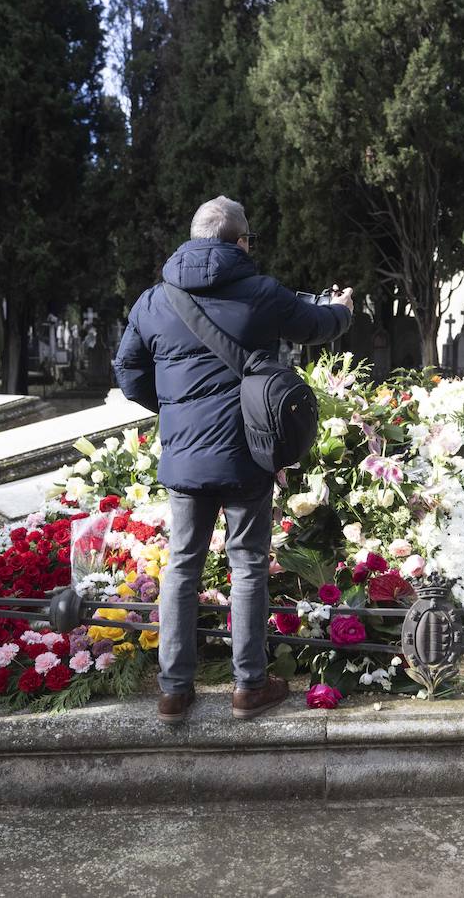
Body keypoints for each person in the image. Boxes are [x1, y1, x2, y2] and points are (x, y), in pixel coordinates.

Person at [114, 196, 353, 724]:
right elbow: (316, 326)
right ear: (240, 242)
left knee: (181, 566)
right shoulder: (262, 292)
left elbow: (127, 371)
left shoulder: (154, 299)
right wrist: (345, 309)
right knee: (247, 566)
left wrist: (175, 409)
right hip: (248, 453)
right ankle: (249, 686)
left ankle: (174, 690)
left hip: (184, 460)